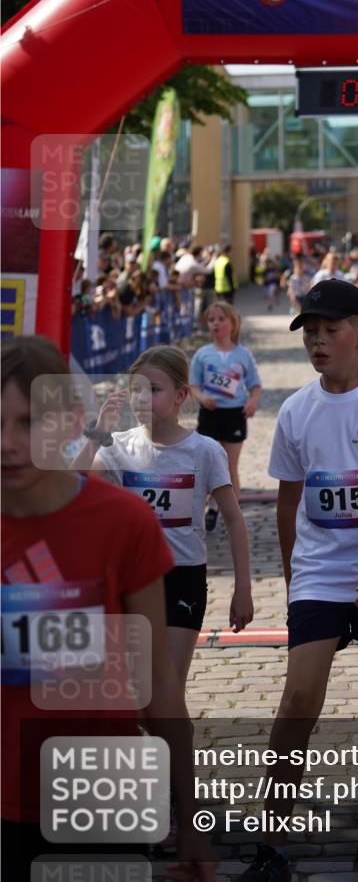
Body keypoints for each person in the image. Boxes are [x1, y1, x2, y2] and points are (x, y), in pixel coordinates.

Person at [1, 336, 216, 882]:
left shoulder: (123, 522)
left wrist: (189, 814)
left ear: (71, 422)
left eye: (27, 423)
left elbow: (157, 683)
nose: (7, 443)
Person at [239, 279, 358, 881]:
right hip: (321, 575)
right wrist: (297, 577)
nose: (318, 342)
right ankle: (272, 841)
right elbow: (288, 502)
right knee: (299, 697)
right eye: (311, 333)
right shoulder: (296, 409)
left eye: (330, 330)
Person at [75, 345, 254, 703]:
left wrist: (243, 590)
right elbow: (72, 486)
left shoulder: (204, 451)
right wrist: (98, 434)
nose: (142, 398)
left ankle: (177, 756)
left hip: (182, 577)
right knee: (137, 694)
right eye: (135, 389)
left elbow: (235, 521)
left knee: (166, 692)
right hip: (132, 579)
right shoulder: (118, 446)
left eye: (153, 389)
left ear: (181, 396)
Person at [190, 302, 262, 505]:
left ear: (233, 323)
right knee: (206, 466)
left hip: (234, 414)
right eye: (211, 320)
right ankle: (202, 510)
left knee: (230, 467)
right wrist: (202, 398)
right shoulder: (202, 354)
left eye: (221, 319)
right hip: (209, 414)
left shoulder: (243, 355)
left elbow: (255, 385)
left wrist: (252, 402)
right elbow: (193, 385)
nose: (215, 323)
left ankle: (231, 512)